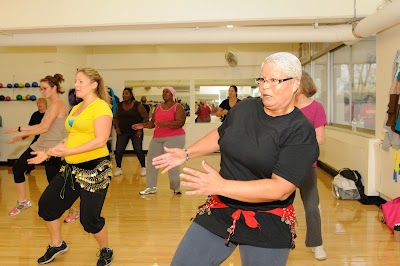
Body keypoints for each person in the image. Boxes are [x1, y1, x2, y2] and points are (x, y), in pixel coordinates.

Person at [152, 52, 319, 266]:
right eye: (262, 79)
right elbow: (222, 135)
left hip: (268, 219)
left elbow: (280, 188)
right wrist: (186, 153)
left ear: (295, 84)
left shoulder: (300, 131)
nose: (265, 86)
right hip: (222, 208)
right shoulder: (245, 108)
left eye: (275, 80)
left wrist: (222, 185)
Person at [27, 68, 114, 265]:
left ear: (94, 85)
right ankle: (57, 244)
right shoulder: (76, 108)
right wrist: (47, 153)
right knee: (47, 206)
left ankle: (105, 249)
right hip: (71, 168)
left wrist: (68, 153)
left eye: (81, 81)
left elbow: (100, 140)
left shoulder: (100, 107)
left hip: (95, 169)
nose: (76, 85)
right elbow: (70, 138)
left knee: (89, 220)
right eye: (76, 81)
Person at [5, 74, 78, 223]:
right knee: (18, 168)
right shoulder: (52, 105)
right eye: (41, 88)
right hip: (39, 145)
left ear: (54, 88)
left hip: (52, 149)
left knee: (55, 184)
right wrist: (20, 129)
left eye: (45, 88)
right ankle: (23, 201)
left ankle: (73, 210)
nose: (42, 91)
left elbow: (44, 128)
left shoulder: (58, 104)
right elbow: (40, 126)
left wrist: (22, 134)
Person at [295, 70, 327, 260]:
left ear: (302, 85)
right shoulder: (285, 106)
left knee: (311, 206)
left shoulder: (316, 108)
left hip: (307, 164)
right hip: (283, 163)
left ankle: (316, 243)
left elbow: (320, 138)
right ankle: (280, 239)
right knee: (280, 203)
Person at [133, 86, 186, 195]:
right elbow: (153, 123)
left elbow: (180, 123)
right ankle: (151, 187)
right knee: (152, 161)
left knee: (171, 162)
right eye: (163, 92)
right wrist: (142, 125)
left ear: (172, 94)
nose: (164, 93)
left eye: (167, 92)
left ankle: (176, 187)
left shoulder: (178, 107)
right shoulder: (158, 107)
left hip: (174, 137)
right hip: (157, 138)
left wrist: (166, 123)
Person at [113, 88, 149, 177]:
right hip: (123, 132)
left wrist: (140, 129)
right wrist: (117, 128)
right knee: (118, 150)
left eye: (126, 93)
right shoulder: (120, 105)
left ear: (131, 95)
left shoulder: (138, 105)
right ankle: (118, 168)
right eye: (123, 93)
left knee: (138, 150)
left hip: (136, 132)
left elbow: (145, 117)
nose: (124, 95)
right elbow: (116, 118)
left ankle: (144, 168)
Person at [24, 97, 48, 174]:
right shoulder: (35, 115)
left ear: (45, 104)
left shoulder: (49, 114)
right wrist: (25, 134)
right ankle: (31, 166)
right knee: (31, 152)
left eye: (41, 103)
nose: (39, 105)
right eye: (38, 103)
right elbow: (31, 127)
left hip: (48, 139)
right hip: (38, 138)